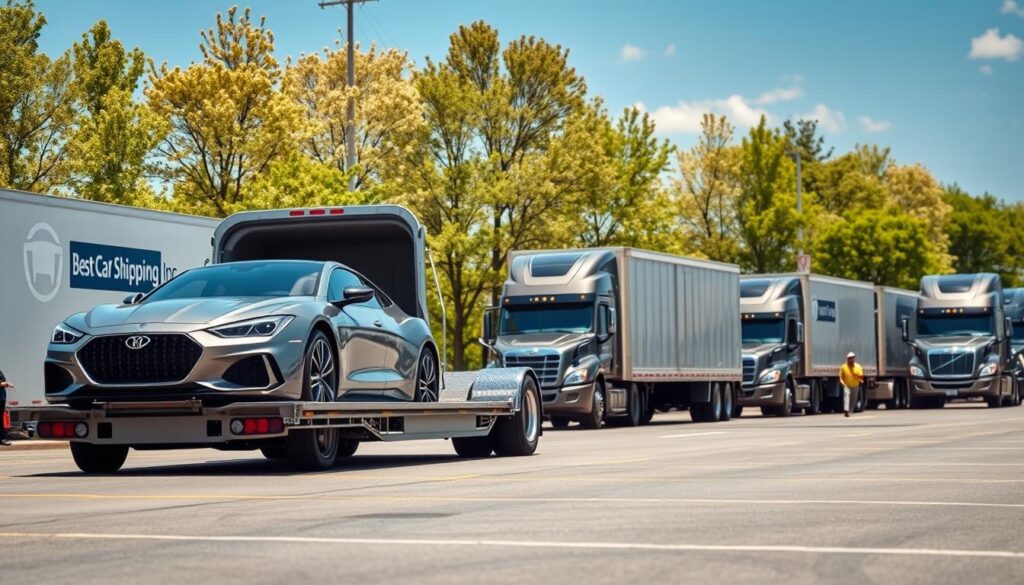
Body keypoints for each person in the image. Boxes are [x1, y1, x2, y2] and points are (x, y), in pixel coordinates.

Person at [839, 352, 864, 418]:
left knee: (853, 399)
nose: (851, 360)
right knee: (846, 397)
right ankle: (846, 410)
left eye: (852, 358)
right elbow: (841, 377)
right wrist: (842, 383)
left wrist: (860, 379)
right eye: (849, 358)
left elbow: (861, 376)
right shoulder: (843, 367)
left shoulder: (858, 367)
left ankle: (850, 411)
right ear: (847, 359)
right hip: (846, 385)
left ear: (854, 359)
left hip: (855, 385)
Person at [0, 369, 13, 446]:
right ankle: (2, 438)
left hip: (1, 398)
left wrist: (6, 384)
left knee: (0, 418)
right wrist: (4, 384)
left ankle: (2, 438)